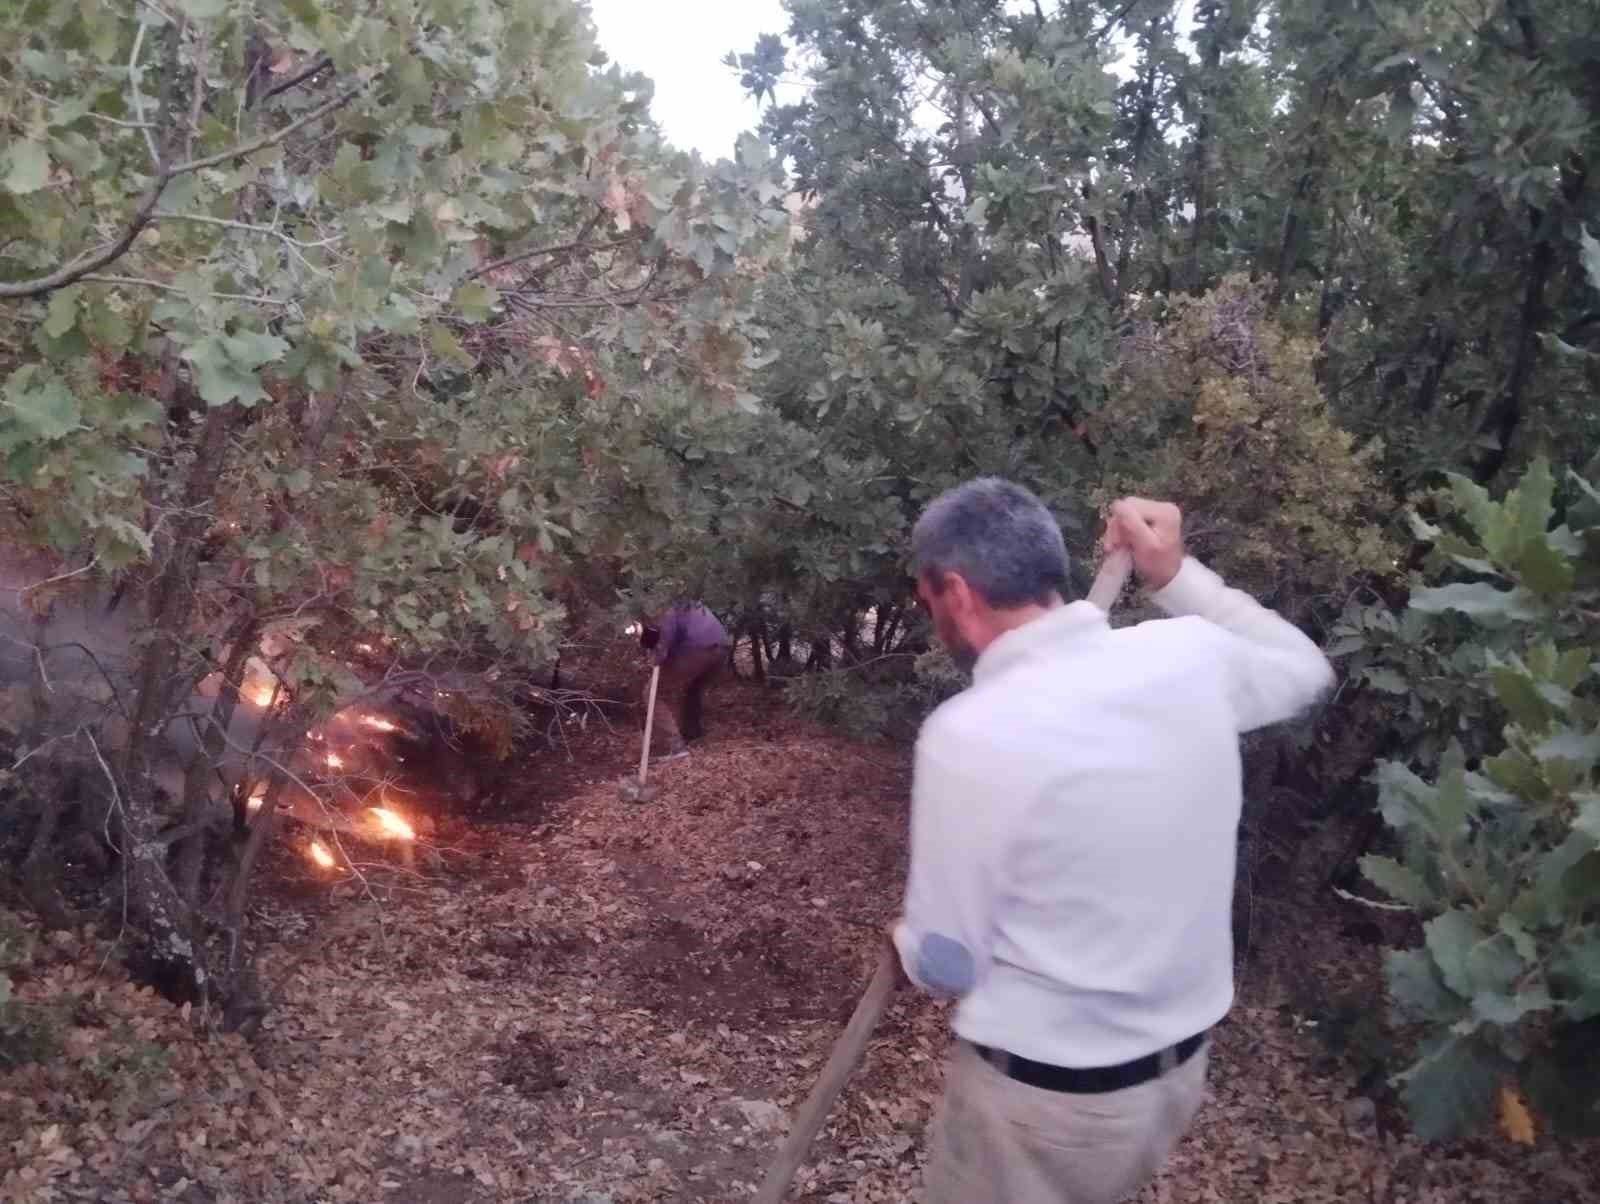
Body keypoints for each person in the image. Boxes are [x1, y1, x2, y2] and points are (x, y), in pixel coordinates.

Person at [890, 480, 1333, 1204]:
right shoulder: (1189, 657)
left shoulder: (969, 736)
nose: (930, 613)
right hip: (1173, 1081)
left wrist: (910, 943)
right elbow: (1307, 670)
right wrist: (1176, 573)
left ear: (957, 593)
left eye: (924, 598)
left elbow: (949, 962)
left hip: (1045, 1109)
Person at [637, 601, 728, 759]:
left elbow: (662, 648)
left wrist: (654, 655)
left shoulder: (667, 606)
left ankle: (675, 747)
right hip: (721, 649)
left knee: (652, 692)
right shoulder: (689, 601)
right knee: (694, 688)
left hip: (697, 650)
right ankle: (694, 735)